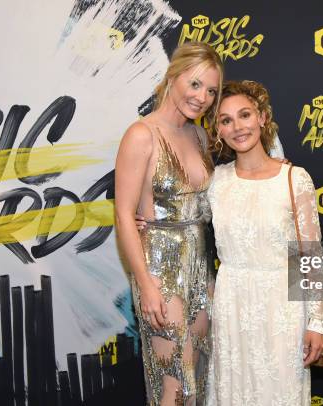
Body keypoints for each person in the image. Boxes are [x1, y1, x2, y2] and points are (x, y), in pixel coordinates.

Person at [205, 80, 323, 405]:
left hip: (282, 310)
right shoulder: (216, 182)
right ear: (218, 130)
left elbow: (311, 256)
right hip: (231, 306)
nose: (237, 127)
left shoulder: (294, 179)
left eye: (244, 115)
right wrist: (146, 219)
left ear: (261, 117)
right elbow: (182, 220)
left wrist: (318, 322)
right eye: (226, 120)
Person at [114, 41, 223, 406]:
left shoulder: (199, 135)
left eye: (211, 90)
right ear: (173, 76)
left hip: (199, 266)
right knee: (173, 382)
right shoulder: (141, 134)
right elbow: (124, 216)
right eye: (195, 84)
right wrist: (146, 284)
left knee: (200, 371)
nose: (202, 97)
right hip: (160, 267)